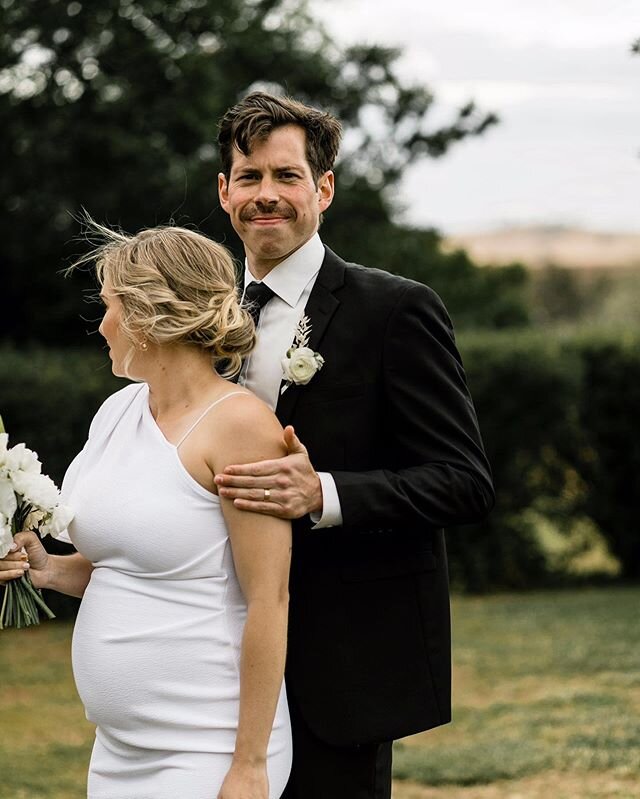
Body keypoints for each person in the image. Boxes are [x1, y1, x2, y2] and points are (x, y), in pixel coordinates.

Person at [213, 92, 495, 799]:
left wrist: (324, 493)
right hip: (214, 657)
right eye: (249, 177)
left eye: (287, 175)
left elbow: (463, 479)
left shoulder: (395, 309)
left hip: (340, 661)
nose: (266, 195)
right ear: (223, 191)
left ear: (324, 187)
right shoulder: (204, 318)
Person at [0, 225, 293, 798]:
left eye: (109, 307)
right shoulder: (117, 410)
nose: (102, 325)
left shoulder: (240, 425)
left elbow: (270, 598)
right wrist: (48, 568)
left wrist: (249, 764)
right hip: (117, 750)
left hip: (206, 746)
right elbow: (129, 565)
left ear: (149, 314)